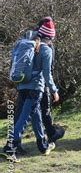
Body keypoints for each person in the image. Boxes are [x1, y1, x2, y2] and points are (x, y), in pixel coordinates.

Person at [3, 18, 59, 161]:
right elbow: (47, 73)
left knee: (35, 115)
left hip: (22, 86)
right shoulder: (45, 49)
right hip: (35, 89)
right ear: (50, 37)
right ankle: (10, 148)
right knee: (24, 119)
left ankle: (42, 145)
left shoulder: (27, 45)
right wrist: (54, 90)